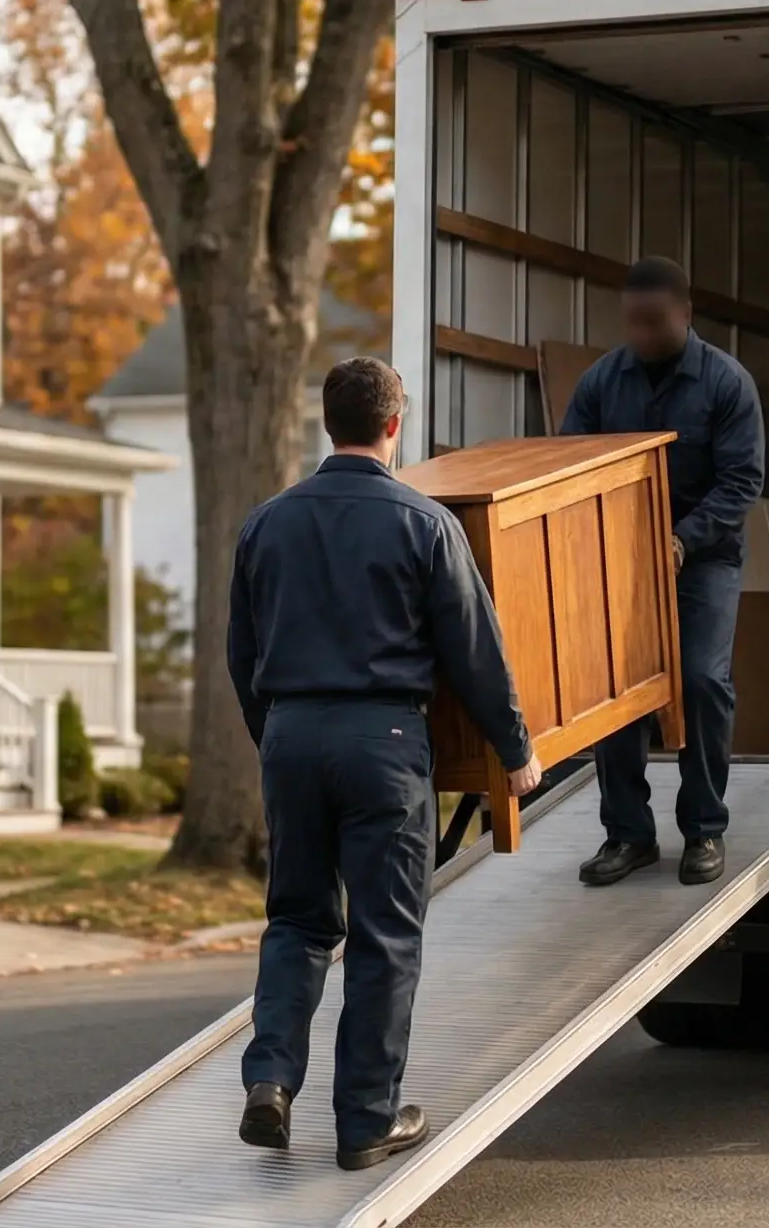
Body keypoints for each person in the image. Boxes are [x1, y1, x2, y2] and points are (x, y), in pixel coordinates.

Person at [228, 357, 545, 1172]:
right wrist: (514, 749)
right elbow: (475, 648)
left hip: (292, 736)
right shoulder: (423, 522)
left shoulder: (266, 523)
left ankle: (269, 1080)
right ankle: (366, 1120)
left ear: (327, 423)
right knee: (383, 934)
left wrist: (280, 736)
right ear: (394, 424)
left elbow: (242, 652)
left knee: (297, 920)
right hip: (384, 744)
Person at [561, 255, 766, 889]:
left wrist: (681, 539)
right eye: (633, 324)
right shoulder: (601, 383)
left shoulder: (728, 385)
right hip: (621, 561)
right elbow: (569, 465)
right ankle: (628, 834)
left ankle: (704, 828)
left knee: (702, 679)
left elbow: (742, 482)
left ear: (686, 314)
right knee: (617, 694)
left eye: (655, 322)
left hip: (703, 557)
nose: (644, 335)